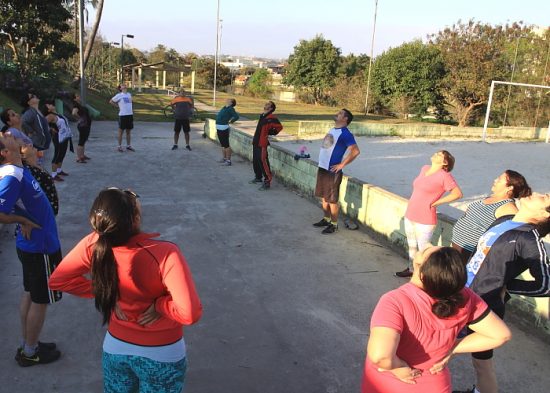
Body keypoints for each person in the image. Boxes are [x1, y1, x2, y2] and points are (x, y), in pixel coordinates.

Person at [49, 188, 203, 392]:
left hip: (116, 348)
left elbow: (58, 280)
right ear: (136, 219)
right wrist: (160, 304)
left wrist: (108, 292)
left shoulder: (94, 243)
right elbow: (189, 313)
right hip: (162, 352)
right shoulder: (165, 253)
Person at [362, 246, 512, 393]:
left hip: (388, 384)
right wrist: (452, 348)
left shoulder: (395, 301)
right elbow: (501, 335)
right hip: (435, 384)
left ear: (421, 270)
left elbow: (381, 356)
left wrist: (399, 367)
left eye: (427, 251)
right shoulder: (465, 296)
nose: (429, 245)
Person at [453, 192, 550, 393]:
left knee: (481, 364)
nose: (537, 194)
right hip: (460, 293)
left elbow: (546, 285)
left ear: (544, 214)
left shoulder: (529, 239)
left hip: (484, 306)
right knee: (440, 342)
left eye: (545, 197)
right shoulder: (504, 219)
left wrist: (507, 286)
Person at [0, 132, 62, 366]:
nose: (7, 133)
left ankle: (29, 341)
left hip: (36, 245)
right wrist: (23, 221)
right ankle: (30, 352)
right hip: (40, 247)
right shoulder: (11, 176)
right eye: (5, 138)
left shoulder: (18, 168)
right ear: (5, 152)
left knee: (30, 293)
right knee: (40, 299)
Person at [396, 151, 463, 277]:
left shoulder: (445, 176)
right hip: (410, 213)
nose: (436, 154)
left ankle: (423, 275)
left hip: (425, 218)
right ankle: (412, 269)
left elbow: (458, 194)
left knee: (424, 250)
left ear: (445, 162)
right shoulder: (424, 168)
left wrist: (436, 202)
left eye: (440, 155)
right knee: (411, 245)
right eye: (437, 152)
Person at [451, 170, 531, 264]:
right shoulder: (491, 197)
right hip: (458, 246)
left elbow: (519, 229)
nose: (495, 180)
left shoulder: (508, 207)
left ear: (509, 187)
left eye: (499, 179)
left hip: (469, 253)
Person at [312, 108, 360, 234]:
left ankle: (334, 224)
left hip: (332, 171)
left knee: (332, 200)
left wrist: (341, 164)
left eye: (340, 114)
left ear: (345, 119)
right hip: (323, 168)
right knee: (324, 197)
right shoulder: (333, 130)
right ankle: (326, 219)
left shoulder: (345, 134)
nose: (337, 114)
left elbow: (355, 151)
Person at [250, 101, 283, 190]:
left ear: (271, 108)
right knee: (256, 160)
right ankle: (258, 177)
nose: (265, 105)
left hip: (262, 143)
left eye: (268, 104)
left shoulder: (271, 117)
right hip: (256, 141)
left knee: (263, 161)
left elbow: (279, 127)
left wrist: (271, 132)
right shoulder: (262, 115)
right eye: (266, 104)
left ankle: (267, 181)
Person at [21, 144, 59, 215]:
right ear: (22, 156)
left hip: (50, 210)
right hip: (42, 214)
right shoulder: (29, 171)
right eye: (24, 146)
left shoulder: (36, 165)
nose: (29, 144)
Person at [20, 91, 52, 168]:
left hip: (41, 144)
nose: (35, 96)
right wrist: (31, 131)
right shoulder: (30, 112)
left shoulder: (37, 111)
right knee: (36, 165)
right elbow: (23, 121)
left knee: (39, 164)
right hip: (36, 144)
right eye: (32, 96)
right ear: (29, 102)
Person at [43, 100, 72, 181]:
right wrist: (51, 129)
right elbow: (43, 125)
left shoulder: (57, 114)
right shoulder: (50, 116)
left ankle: (59, 171)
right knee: (57, 154)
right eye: (48, 105)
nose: (51, 104)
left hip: (64, 136)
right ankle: (53, 175)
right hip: (58, 137)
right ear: (48, 110)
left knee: (62, 154)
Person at [109, 84, 135, 152]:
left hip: (130, 115)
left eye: (125, 85)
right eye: (122, 85)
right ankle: (119, 147)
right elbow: (111, 101)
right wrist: (117, 106)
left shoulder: (129, 94)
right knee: (121, 132)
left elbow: (130, 103)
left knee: (128, 132)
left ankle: (128, 146)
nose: (124, 85)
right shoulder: (119, 95)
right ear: (120, 88)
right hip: (123, 115)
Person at [215, 98, 239, 165]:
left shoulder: (231, 109)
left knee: (226, 145)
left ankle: (228, 161)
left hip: (223, 128)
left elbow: (236, 116)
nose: (227, 100)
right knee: (223, 145)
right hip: (219, 127)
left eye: (229, 100)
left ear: (231, 103)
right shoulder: (225, 107)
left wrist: (231, 121)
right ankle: (224, 158)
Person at [72, 93, 92, 163]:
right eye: (77, 96)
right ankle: (78, 158)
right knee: (81, 141)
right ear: (74, 99)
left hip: (86, 125)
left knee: (83, 141)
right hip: (83, 125)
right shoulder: (76, 105)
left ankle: (82, 156)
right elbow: (74, 113)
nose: (79, 97)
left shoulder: (79, 105)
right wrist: (80, 118)